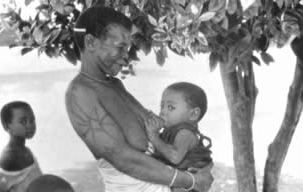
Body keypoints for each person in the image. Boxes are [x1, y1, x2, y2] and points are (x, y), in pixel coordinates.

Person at [65, 6, 213, 192]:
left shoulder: (115, 85)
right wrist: (190, 180)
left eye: (127, 48)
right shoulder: (80, 93)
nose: (126, 57)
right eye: (120, 47)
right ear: (90, 42)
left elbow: (156, 126)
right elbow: (123, 158)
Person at [145, 82, 213, 192]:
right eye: (162, 106)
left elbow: (175, 157)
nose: (163, 112)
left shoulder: (185, 133)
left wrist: (154, 137)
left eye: (170, 107)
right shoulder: (170, 131)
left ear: (193, 114)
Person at [0, 101, 42, 192]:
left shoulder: (26, 151)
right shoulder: (9, 158)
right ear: (7, 126)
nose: (30, 125)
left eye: (32, 120)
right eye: (23, 121)